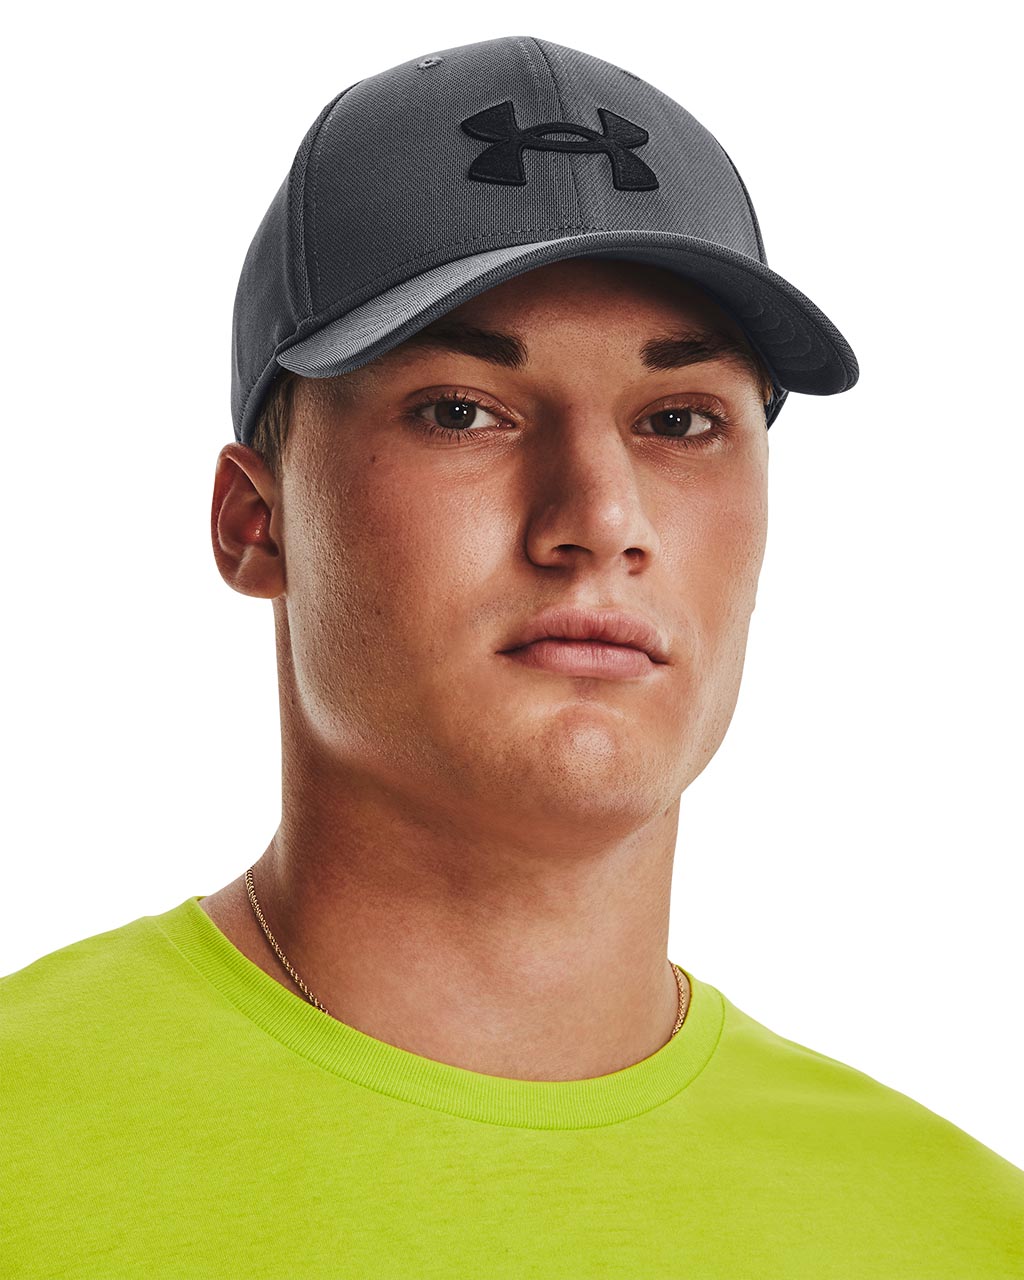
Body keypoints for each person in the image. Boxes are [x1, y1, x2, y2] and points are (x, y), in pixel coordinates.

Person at [3, 34, 1022, 1278]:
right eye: (461, 412)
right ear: (256, 522)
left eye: (679, 419)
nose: (599, 515)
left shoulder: (965, 1233)